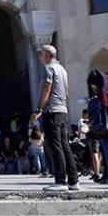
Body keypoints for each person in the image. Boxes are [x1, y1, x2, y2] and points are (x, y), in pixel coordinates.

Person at [31, 45, 79, 191]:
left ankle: (60, 180)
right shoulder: (62, 69)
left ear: (46, 55)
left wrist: (39, 108)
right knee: (65, 146)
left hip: (52, 111)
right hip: (62, 111)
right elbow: (67, 91)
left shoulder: (48, 68)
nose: (39, 58)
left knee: (55, 146)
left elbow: (47, 87)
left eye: (41, 55)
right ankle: (73, 180)